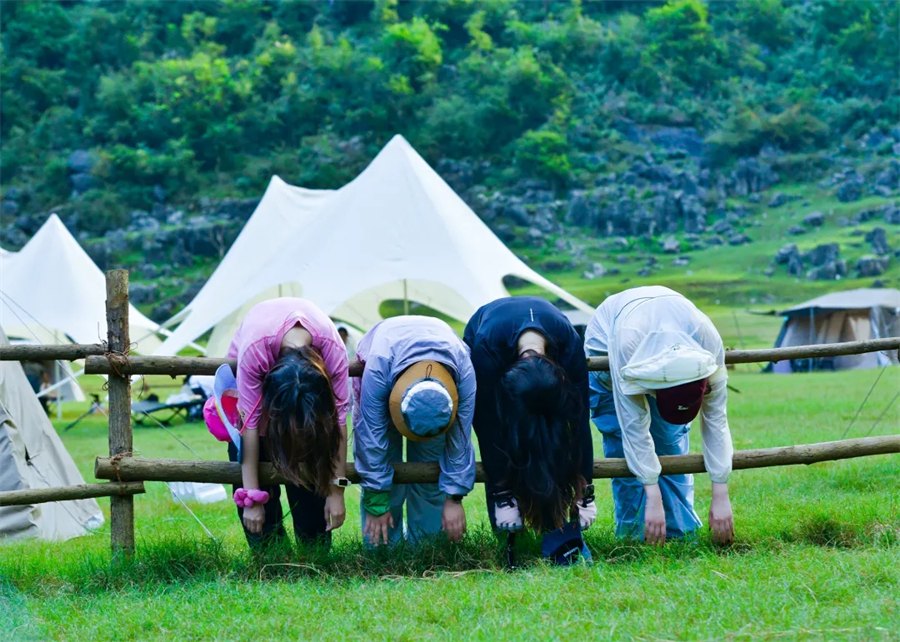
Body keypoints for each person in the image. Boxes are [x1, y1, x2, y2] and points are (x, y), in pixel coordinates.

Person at [584, 286, 734, 546]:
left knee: (669, 443)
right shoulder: (627, 342)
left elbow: (717, 422)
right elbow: (633, 428)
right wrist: (652, 496)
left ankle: (681, 536)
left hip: (663, 332)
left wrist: (720, 492)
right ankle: (633, 538)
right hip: (608, 346)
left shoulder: (708, 344)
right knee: (621, 442)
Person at [463, 297, 595, 565]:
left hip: (548, 362)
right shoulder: (486, 349)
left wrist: (586, 491)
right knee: (512, 438)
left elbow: (580, 421)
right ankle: (509, 536)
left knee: (552, 439)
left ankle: (555, 526)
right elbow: (487, 428)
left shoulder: (569, 345)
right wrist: (502, 495)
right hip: (490, 339)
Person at [224, 298, 350, 549]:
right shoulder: (255, 352)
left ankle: (315, 555)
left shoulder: (333, 351)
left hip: (309, 415)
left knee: (312, 490)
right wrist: (252, 498)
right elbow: (249, 426)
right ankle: (270, 558)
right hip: (255, 410)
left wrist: (337, 491)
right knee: (262, 521)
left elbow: (339, 422)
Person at [353, 316, 476, 546]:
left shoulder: (462, 369)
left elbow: (460, 436)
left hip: (429, 367)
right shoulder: (378, 367)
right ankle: (383, 551)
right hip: (389, 360)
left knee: (431, 470)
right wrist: (376, 501)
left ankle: (427, 549)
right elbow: (371, 436)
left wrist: (454, 497)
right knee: (386, 454)